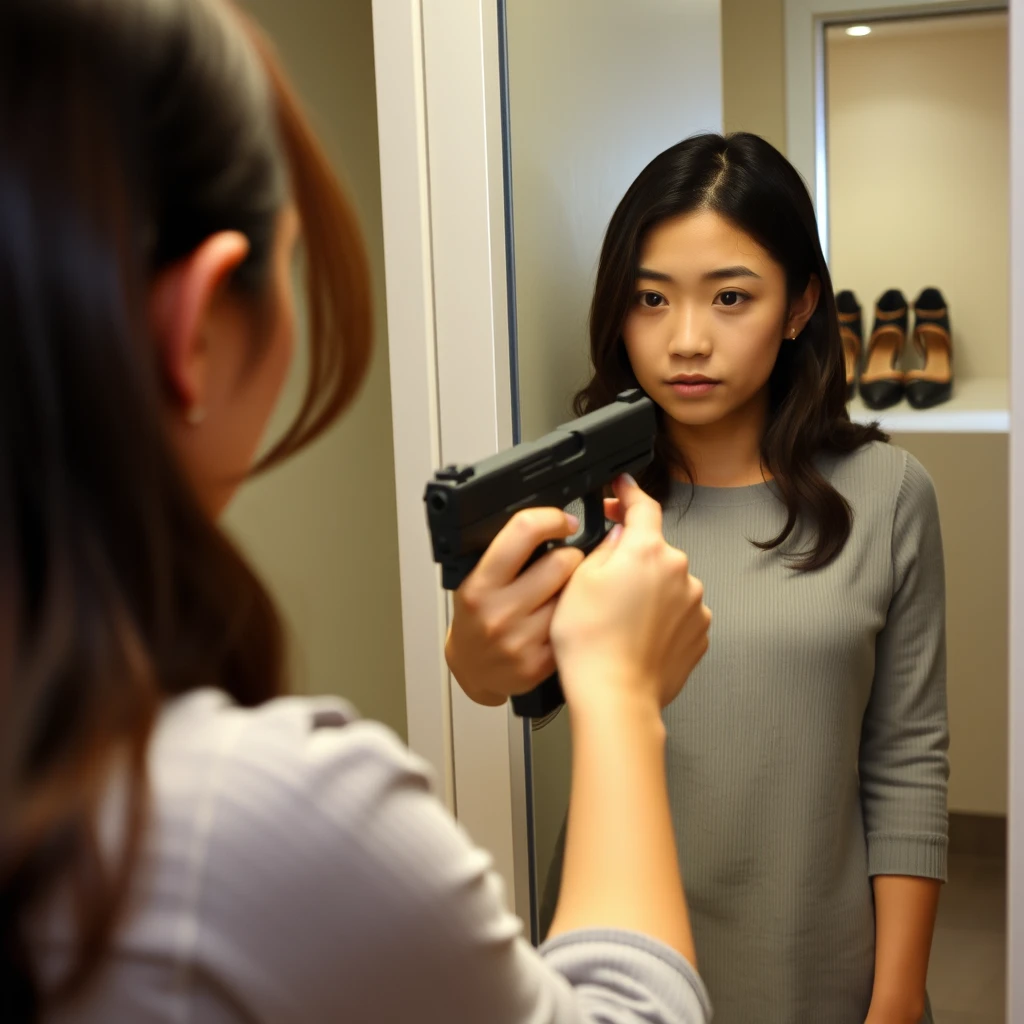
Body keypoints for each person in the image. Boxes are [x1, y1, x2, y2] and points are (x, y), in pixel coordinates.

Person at [0, 2, 715, 1022]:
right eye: (292, 259)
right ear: (198, 323)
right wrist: (619, 689)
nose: (688, 337)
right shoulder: (249, 818)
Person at [447, 132, 950, 1024]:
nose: (686, 340)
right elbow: (492, 677)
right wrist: (475, 643)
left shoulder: (888, 494)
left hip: (819, 971)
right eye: (651, 298)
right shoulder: (587, 502)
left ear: (798, 306)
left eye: (730, 297)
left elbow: (907, 758)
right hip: (616, 970)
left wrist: (899, 997)